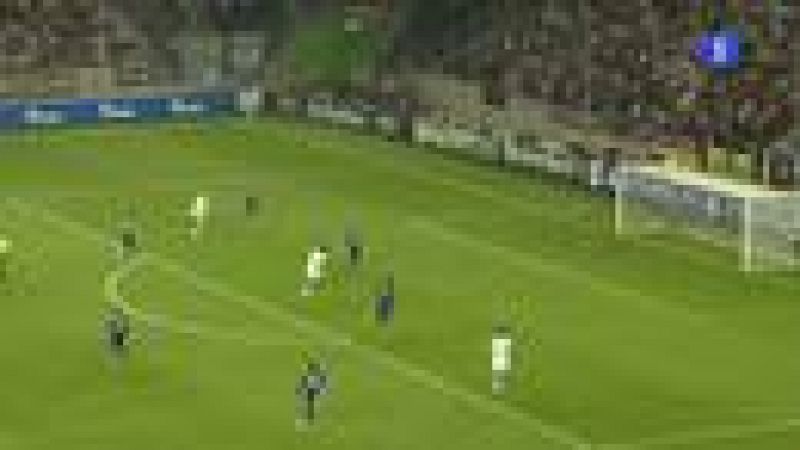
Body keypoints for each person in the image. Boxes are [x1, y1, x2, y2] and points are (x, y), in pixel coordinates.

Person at [296, 356, 329, 427]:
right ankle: (310, 419)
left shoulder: (314, 374)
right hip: (310, 391)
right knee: (310, 406)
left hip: (312, 391)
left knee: (311, 406)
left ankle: (310, 419)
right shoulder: (310, 374)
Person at [491, 324, 513, 396]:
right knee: (501, 372)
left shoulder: (500, 341)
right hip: (501, 360)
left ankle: (499, 389)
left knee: (499, 372)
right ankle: (500, 390)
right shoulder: (505, 341)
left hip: (500, 360)